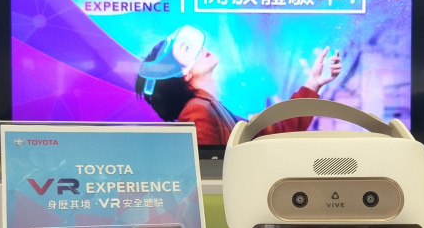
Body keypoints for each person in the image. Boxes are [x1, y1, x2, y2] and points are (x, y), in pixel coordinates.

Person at [135, 25, 342, 145]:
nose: (202, 48)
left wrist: (312, 83)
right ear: (184, 73)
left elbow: (268, 135)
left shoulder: (213, 108)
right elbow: (205, 176)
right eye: (187, 49)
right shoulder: (198, 112)